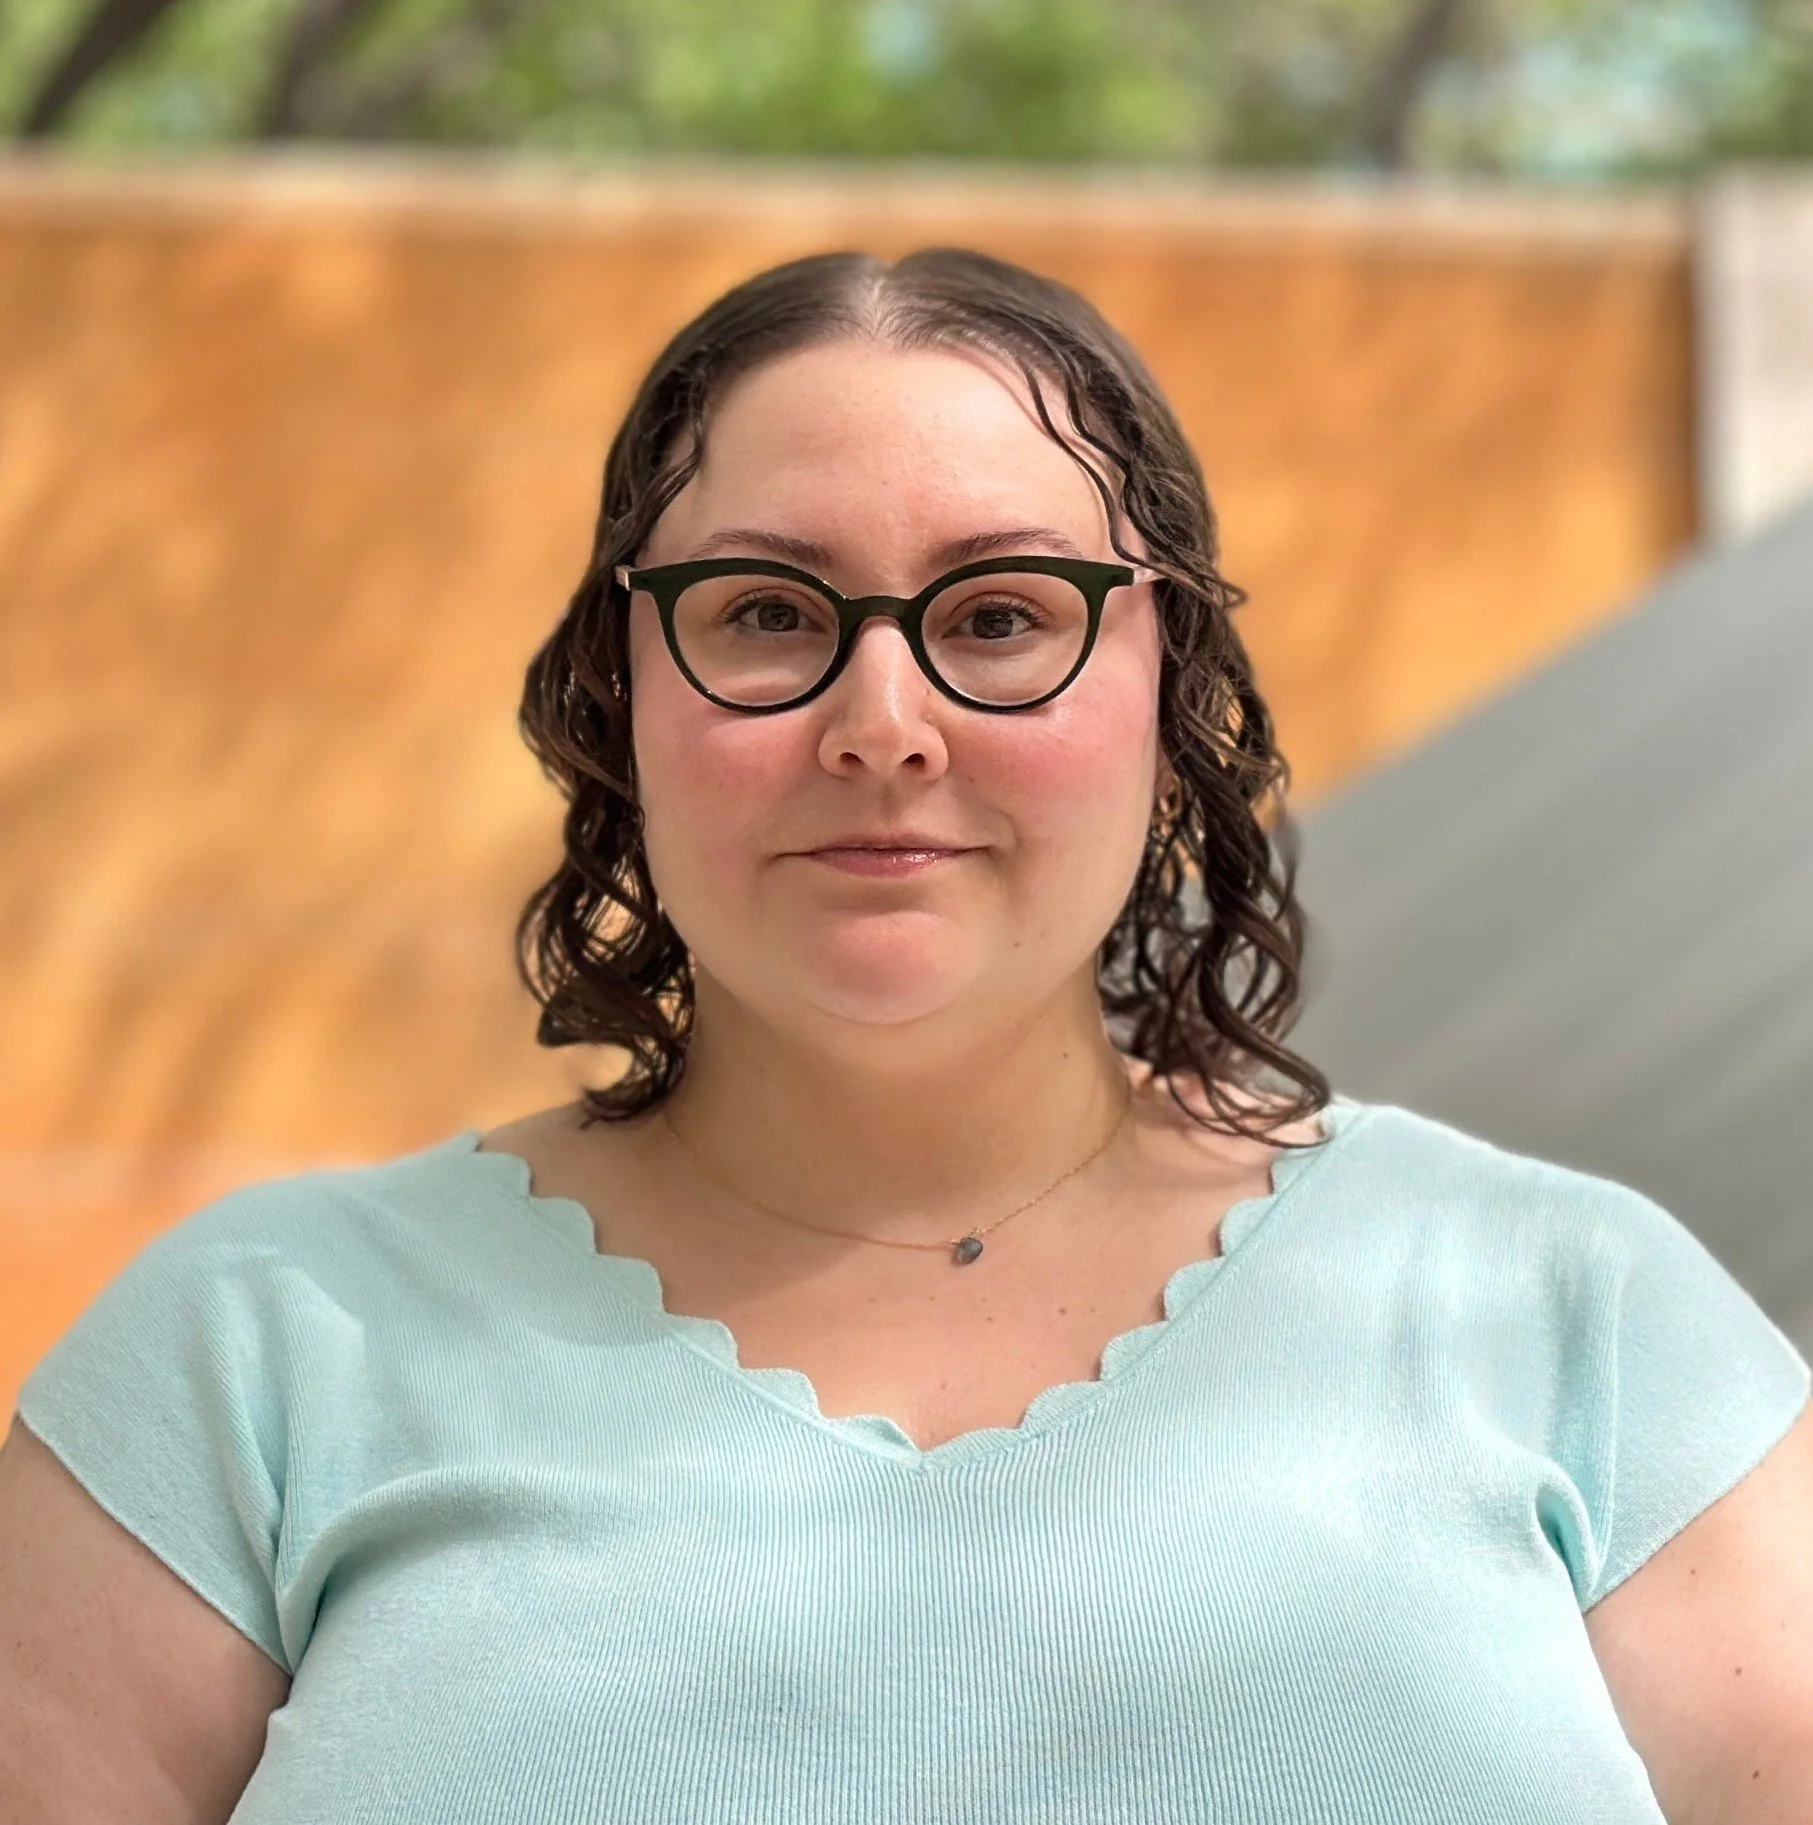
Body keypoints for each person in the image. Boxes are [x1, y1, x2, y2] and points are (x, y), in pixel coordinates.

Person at [3, 247, 1811, 1825]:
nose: (883, 720)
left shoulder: (1586, 1326)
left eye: (1004, 616)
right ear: (617, 694)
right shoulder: (244, 1362)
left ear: (1167, 691)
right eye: (770, 614)